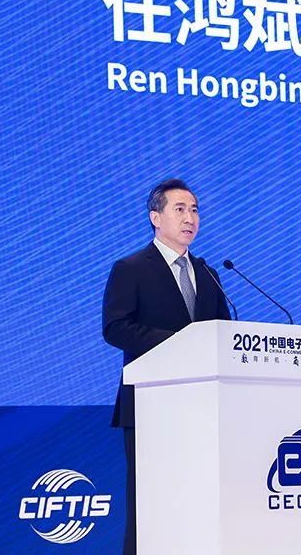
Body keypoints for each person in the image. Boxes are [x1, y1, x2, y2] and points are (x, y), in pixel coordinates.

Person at [102, 178, 231, 555]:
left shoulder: (208, 273)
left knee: (198, 505)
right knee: (150, 507)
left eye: (195, 210)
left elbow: (222, 335)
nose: (190, 218)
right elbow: (115, 327)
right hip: (150, 407)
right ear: (155, 217)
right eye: (180, 209)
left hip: (203, 410)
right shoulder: (130, 268)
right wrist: (179, 345)